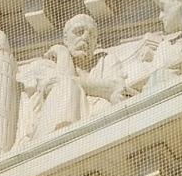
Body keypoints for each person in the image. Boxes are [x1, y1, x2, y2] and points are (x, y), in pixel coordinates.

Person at [18, 14, 128, 143]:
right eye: (79, 32)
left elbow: (117, 86)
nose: (86, 38)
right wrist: (63, 53)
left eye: (92, 35)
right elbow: (62, 85)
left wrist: (77, 81)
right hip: (49, 134)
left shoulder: (105, 60)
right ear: (65, 38)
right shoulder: (46, 65)